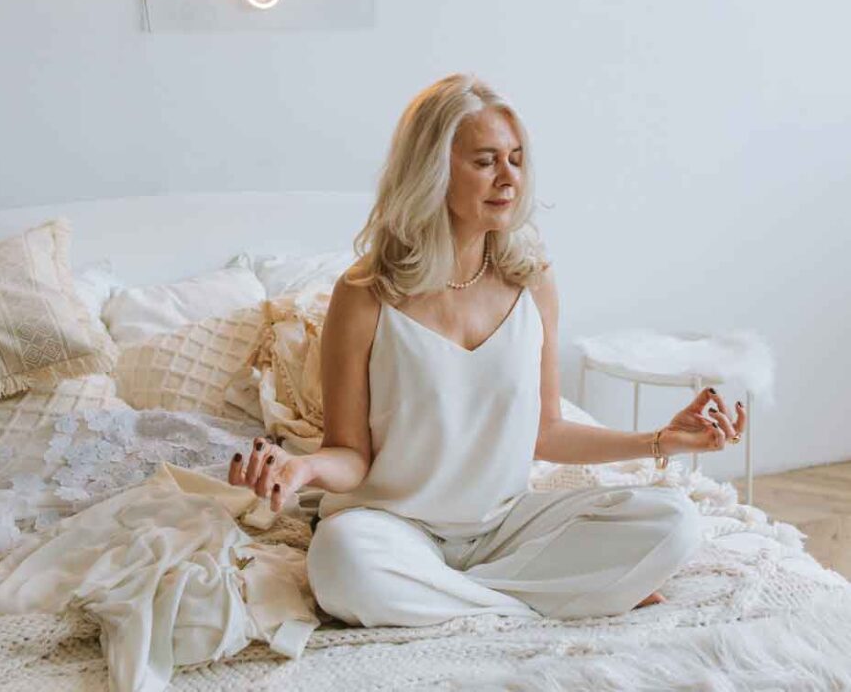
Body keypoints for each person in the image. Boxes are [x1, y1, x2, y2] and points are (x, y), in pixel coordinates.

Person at [227, 73, 749, 626]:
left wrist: (661, 440)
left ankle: (451, 597)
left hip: (506, 525)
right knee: (341, 564)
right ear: (433, 170)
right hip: (395, 526)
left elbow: (546, 431)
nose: (509, 179)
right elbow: (351, 456)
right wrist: (303, 469)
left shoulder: (532, 281)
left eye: (516, 160)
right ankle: (548, 599)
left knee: (674, 522)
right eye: (485, 162)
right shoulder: (364, 296)